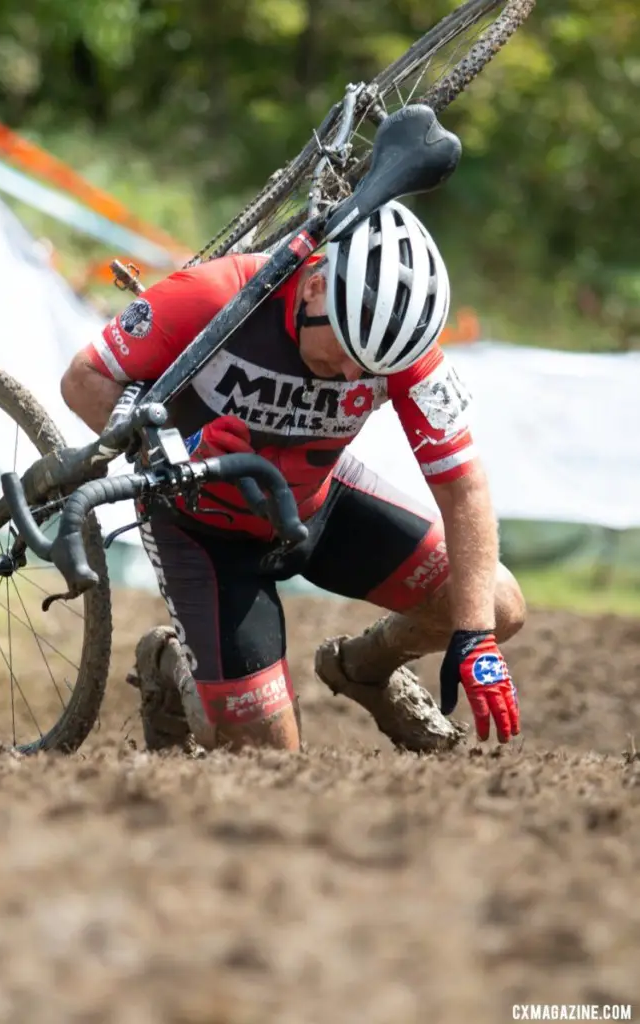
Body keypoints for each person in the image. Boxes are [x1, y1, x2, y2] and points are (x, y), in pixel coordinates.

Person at [61, 200, 525, 755]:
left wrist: (475, 637)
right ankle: (170, 666)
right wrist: (168, 450)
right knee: (265, 753)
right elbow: (83, 379)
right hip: (202, 525)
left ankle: (364, 669)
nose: (356, 375)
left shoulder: (398, 348)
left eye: (375, 367)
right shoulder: (215, 296)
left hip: (314, 505)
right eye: (349, 353)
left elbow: (463, 486)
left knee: (495, 604)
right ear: (312, 289)